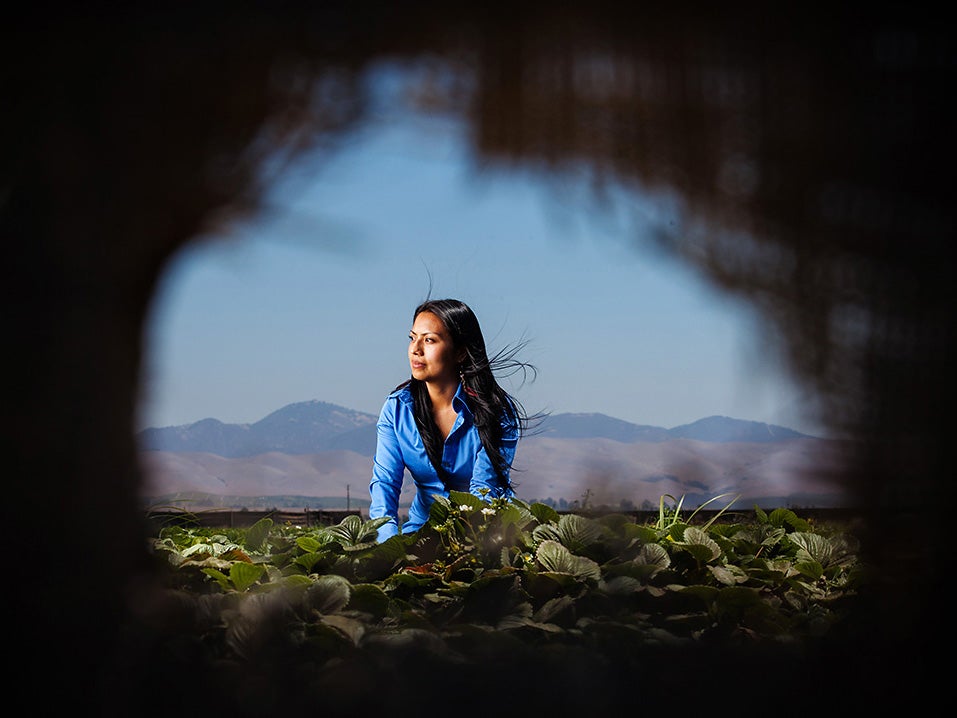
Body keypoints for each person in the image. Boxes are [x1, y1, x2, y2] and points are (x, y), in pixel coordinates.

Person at [368, 298, 534, 542]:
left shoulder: (497, 411)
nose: (416, 349)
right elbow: (385, 485)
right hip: (422, 535)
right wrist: (387, 548)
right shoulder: (397, 409)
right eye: (413, 337)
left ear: (460, 352)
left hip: (486, 538)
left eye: (429, 340)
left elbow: (484, 490)